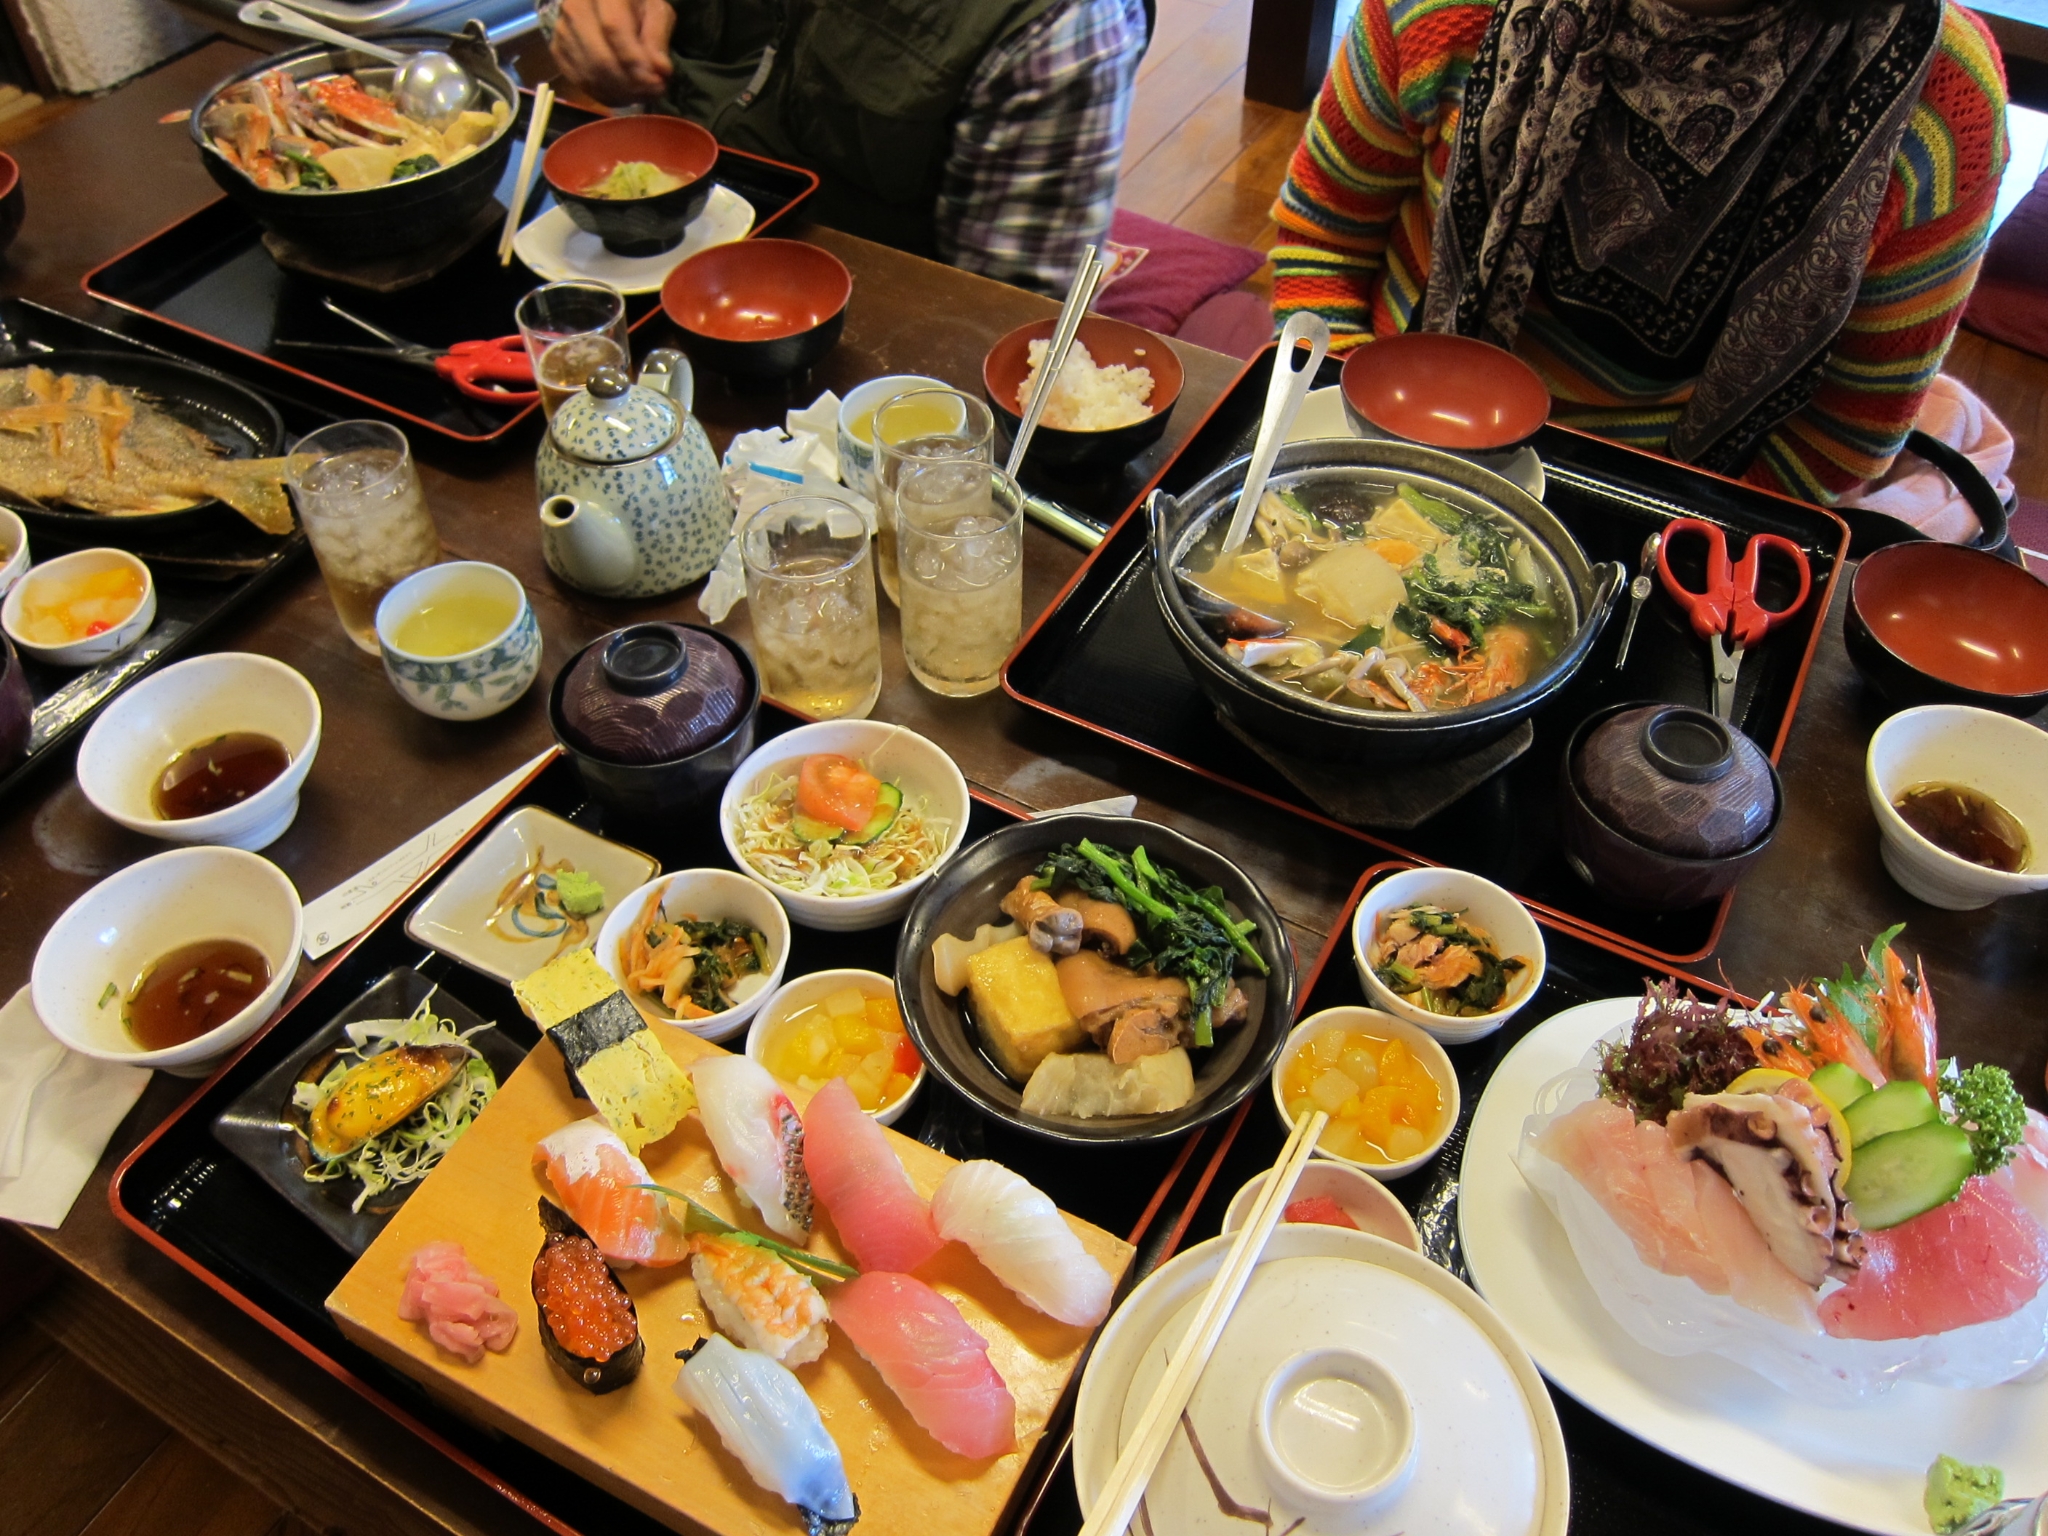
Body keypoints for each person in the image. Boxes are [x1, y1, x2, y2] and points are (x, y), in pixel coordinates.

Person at [1269, 0, 2010, 505]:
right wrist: (1343, 442)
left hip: (1671, 505)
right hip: (1380, 430)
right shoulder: (1439, 12)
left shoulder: (1938, 98)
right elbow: (1323, 232)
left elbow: (1846, 433)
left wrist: (1682, 537)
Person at [541, 0, 1148, 296]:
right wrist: (583, 20)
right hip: (636, 253)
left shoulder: (1066, 26)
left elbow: (1005, 321)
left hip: (858, 328)